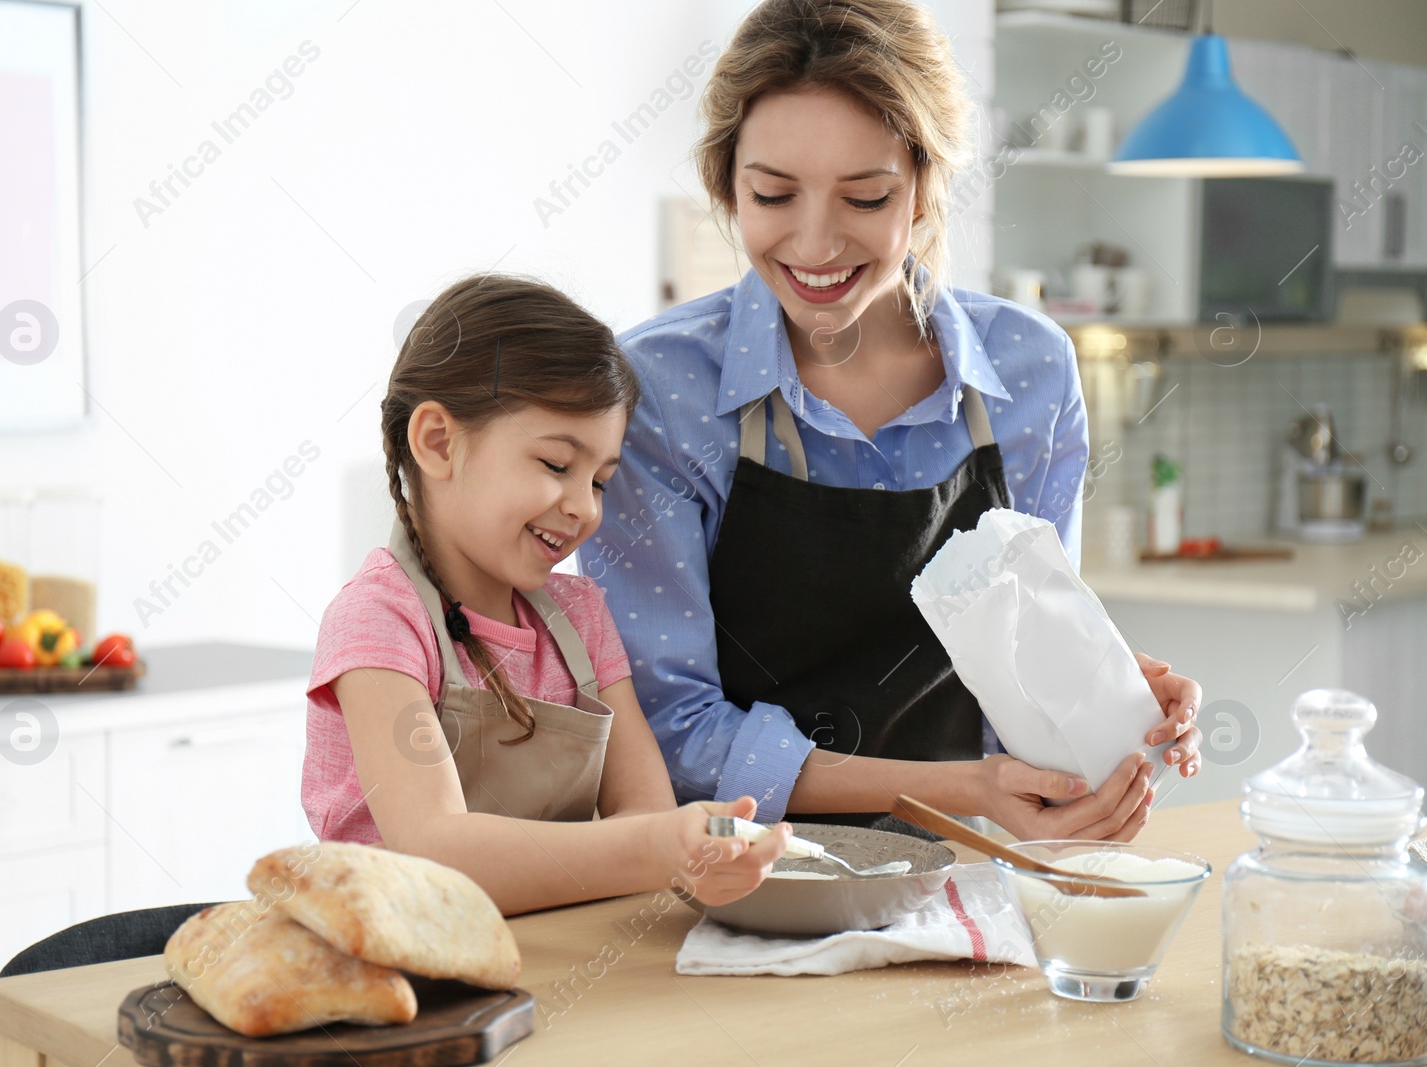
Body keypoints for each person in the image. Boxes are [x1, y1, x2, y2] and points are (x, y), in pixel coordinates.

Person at [576, 0, 1202, 843]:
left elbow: (1030, 662)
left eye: (866, 197)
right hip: (738, 887)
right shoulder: (660, 386)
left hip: (963, 875)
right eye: (772, 194)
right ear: (729, 184)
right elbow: (666, 728)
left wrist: (1112, 712)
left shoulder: (1030, 370)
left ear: (928, 185)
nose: (815, 243)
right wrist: (967, 787)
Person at [302, 274, 791, 916]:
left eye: (601, 480)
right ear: (438, 442)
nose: (583, 507)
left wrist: (695, 859)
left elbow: (641, 812)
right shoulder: (379, 622)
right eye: (558, 466)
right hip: (399, 965)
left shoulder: (582, 617)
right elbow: (436, 851)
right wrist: (653, 848)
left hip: (552, 952)